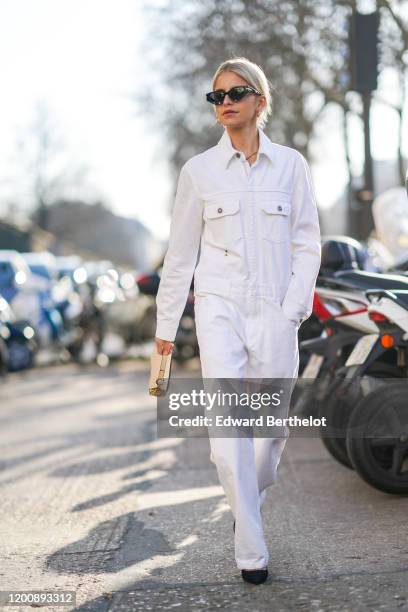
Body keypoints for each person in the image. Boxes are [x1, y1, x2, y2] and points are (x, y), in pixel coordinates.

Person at [154, 57, 321, 584]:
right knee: (230, 433)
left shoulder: (292, 165)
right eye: (216, 96)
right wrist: (163, 336)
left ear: (260, 100)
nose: (224, 102)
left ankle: (247, 497)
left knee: (267, 439)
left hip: (275, 309)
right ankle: (251, 547)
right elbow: (179, 257)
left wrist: (293, 307)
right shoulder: (198, 172)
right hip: (219, 307)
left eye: (235, 92)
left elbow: (307, 242)